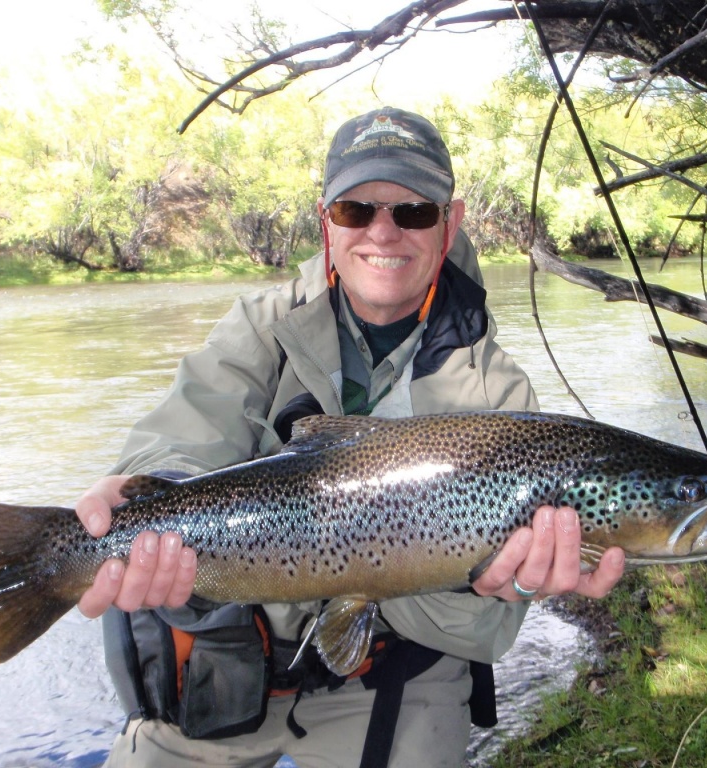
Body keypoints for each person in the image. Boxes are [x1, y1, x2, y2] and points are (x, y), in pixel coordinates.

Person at [74, 106, 625, 767]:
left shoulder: (496, 393)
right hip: (222, 660)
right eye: (356, 210)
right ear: (325, 221)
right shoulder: (262, 326)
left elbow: (486, 633)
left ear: (449, 225)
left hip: (393, 677)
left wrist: (500, 582)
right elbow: (184, 434)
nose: (383, 232)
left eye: (413, 211)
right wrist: (133, 498)